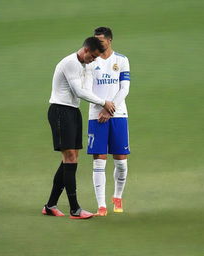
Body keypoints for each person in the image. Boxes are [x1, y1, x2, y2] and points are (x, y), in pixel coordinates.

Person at [42, 37, 115, 219]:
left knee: (71, 158)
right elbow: (79, 92)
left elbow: (88, 88)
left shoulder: (86, 64)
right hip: (60, 111)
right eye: (93, 56)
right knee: (70, 157)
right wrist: (103, 102)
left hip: (73, 112)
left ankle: (50, 205)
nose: (95, 60)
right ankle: (75, 209)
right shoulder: (70, 63)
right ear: (86, 50)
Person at [86, 27, 131, 216]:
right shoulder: (90, 62)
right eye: (95, 42)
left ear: (110, 41)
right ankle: (102, 205)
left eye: (101, 42)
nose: (97, 45)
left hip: (118, 115)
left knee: (120, 162)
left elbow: (125, 89)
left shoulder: (121, 60)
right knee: (99, 162)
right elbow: (87, 90)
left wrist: (110, 110)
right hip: (96, 116)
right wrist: (103, 107)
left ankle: (117, 196)